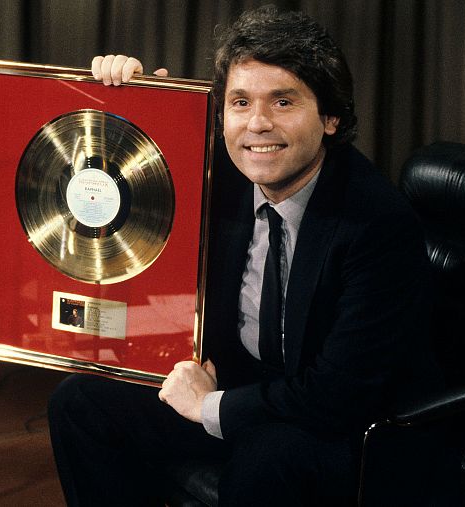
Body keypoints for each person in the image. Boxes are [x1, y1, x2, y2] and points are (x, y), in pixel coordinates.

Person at [48, 5, 441, 506]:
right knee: (80, 403)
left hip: (350, 426)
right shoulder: (225, 174)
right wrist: (139, 99)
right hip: (245, 390)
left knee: (268, 458)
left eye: (282, 102)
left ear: (330, 118)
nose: (257, 124)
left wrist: (212, 406)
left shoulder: (376, 223)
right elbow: (116, 184)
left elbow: (337, 395)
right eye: (239, 102)